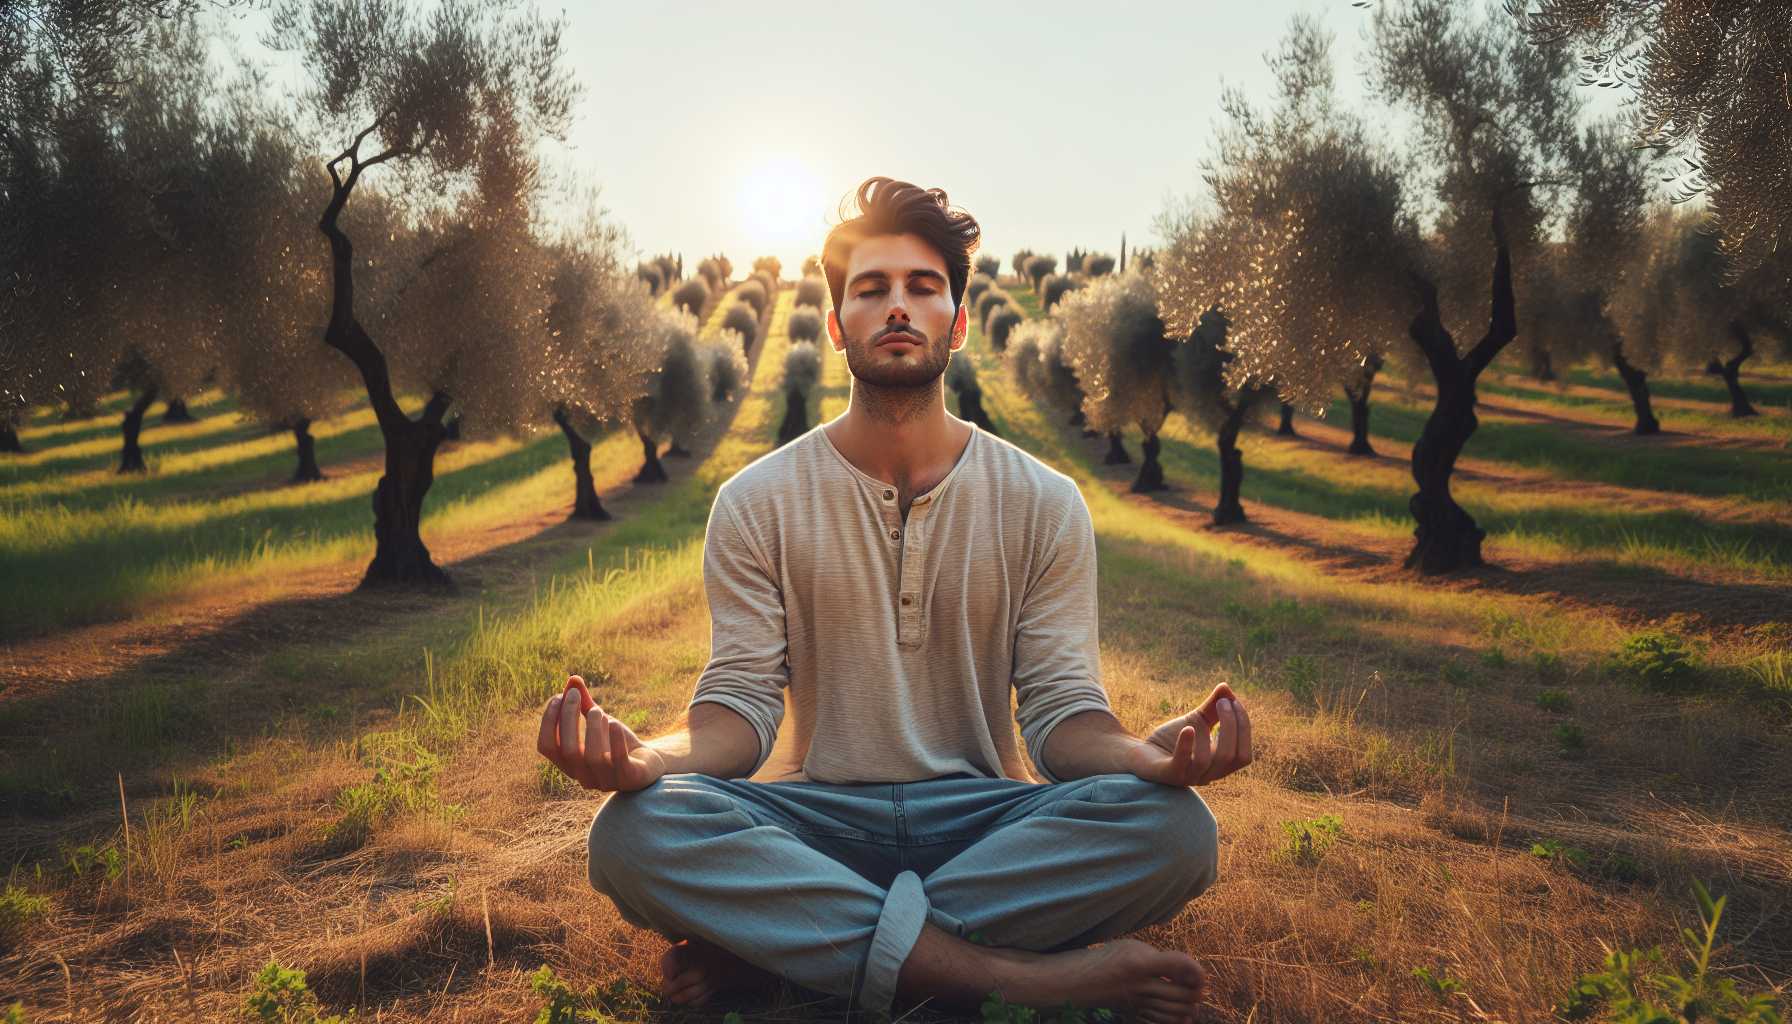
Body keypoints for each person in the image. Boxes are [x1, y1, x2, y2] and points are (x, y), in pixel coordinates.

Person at [537, 177, 1254, 1023]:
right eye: (871, 290)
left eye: (922, 286)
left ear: (956, 318)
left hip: (986, 818)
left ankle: (788, 964)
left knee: (1177, 832)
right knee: (631, 835)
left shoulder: (1045, 501)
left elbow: (1064, 719)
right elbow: (736, 712)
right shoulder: (755, 501)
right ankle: (1027, 980)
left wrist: (1148, 760)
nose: (898, 307)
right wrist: (649, 761)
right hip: (816, 818)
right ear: (836, 325)